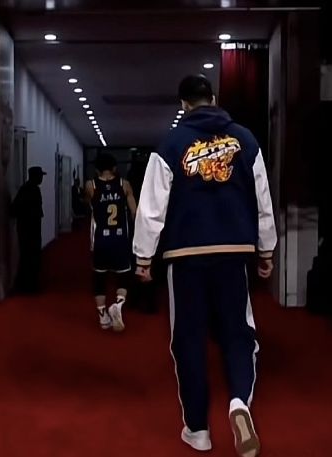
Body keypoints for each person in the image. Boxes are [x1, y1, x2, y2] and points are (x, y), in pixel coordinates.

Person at [132, 74, 276, 457]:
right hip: (233, 252)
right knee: (239, 333)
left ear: (183, 105)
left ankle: (198, 430)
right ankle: (239, 403)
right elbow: (262, 200)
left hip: (185, 257)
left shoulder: (171, 144)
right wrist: (266, 250)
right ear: (213, 98)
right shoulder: (245, 140)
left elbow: (150, 208)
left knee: (188, 340)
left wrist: (143, 256)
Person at [85, 153, 137, 331]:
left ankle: (102, 316)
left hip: (101, 239)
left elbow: (89, 205)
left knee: (99, 278)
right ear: (115, 168)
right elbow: (134, 212)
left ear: (96, 169)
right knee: (123, 276)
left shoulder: (91, 186)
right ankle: (118, 304)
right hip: (120, 239)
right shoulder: (124, 185)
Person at [11, 166, 46, 294]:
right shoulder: (28, 190)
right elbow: (15, 209)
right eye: (40, 176)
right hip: (28, 230)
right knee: (29, 257)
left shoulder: (30, 189)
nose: (42, 178)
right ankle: (28, 286)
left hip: (30, 229)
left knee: (31, 257)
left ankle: (30, 285)